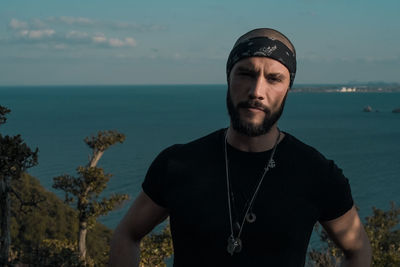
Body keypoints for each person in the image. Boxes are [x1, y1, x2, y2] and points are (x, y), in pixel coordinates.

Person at [109, 28, 372, 267]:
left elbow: (358, 251)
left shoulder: (317, 173)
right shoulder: (178, 164)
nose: (257, 90)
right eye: (246, 73)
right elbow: (126, 234)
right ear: (228, 78)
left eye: (274, 79)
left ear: (287, 89)